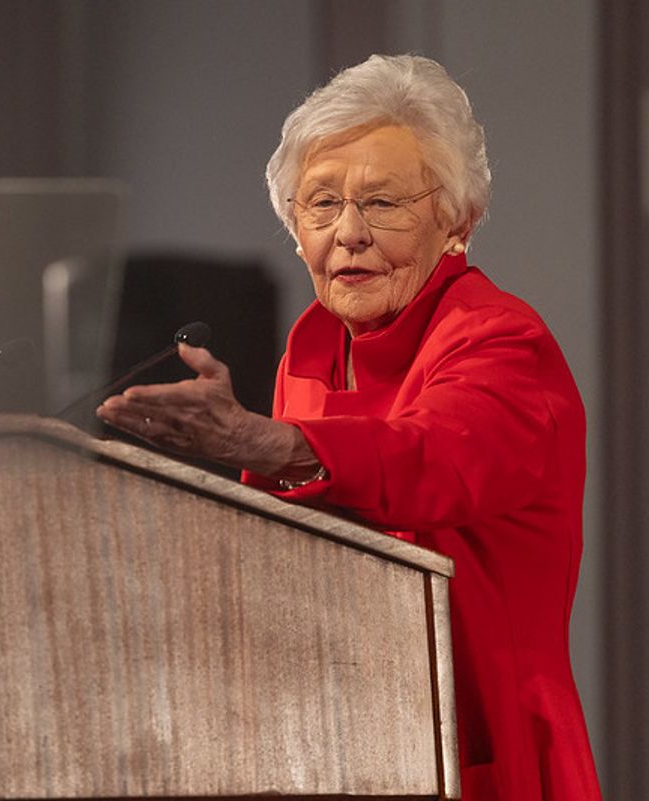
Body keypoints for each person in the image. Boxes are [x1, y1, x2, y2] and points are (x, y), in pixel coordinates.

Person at [96, 54, 601, 801]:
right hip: (341, 747)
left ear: (457, 221)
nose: (349, 234)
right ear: (295, 231)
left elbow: (431, 459)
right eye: (321, 204)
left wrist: (262, 443)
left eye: (383, 203)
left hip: (482, 754)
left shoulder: (504, 342)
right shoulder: (311, 347)